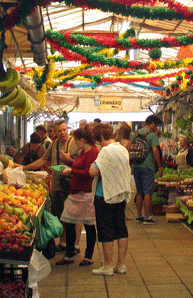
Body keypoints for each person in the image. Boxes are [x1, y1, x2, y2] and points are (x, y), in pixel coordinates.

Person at [89, 122, 133, 276]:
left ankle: (107, 265)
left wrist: (93, 164)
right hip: (120, 194)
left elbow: (93, 172)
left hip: (105, 196)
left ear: (101, 137)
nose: (98, 143)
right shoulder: (123, 149)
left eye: (98, 140)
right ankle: (121, 264)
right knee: (121, 229)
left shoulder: (105, 151)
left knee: (105, 230)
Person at [23, 118, 71, 252]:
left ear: (67, 129)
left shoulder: (73, 143)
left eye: (64, 130)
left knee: (70, 218)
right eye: (59, 131)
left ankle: (72, 245)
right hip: (56, 185)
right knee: (59, 215)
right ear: (55, 132)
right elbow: (43, 160)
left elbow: (82, 163)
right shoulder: (54, 144)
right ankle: (63, 243)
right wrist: (24, 168)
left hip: (70, 187)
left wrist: (69, 159)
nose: (62, 133)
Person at [56, 126, 99, 267]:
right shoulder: (82, 152)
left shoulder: (93, 153)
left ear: (82, 140)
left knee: (89, 225)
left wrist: (71, 171)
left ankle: (88, 256)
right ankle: (69, 254)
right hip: (75, 193)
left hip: (86, 193)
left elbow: (89, 173)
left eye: (76, 140)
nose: (74, 142)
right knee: (68, 223)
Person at [131, 114, 163, 224]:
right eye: (156, 126)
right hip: (147, 166)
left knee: (139, 192)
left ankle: (138, 216)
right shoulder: (152, 135)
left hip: (136, 166)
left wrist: (131, 165)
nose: (156, 128)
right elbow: (155, 151)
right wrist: (159, 166)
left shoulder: (135, 133)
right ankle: (147, 217)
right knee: (148, 192)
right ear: (152, 124)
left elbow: (130, 148)